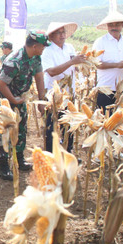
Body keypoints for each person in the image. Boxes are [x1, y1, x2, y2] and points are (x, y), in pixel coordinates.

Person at [0, 31, 49, 180]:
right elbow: (1, 84)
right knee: (5, 131)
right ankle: (3, 166)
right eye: (43, 46)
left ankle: (19, 159)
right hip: (6, 99)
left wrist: (41, 100)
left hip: (20, 98)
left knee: (21, 129)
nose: (44, 48)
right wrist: (13, 100)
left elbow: (39, 77)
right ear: (35, 46)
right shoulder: (14, 61)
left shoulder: (36, 57)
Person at [41, 22, 86, 152]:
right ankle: (51, 155)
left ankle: (68, 152)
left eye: (63, 32)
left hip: (69, 93)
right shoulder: (47, 51)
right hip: (53, 96)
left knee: (69, 126)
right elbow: (51, 71)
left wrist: (82, 64)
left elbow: (74, 66)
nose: (62, 35)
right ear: (52, 36)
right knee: (52, 127)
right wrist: (72, 62)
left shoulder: (69, 47)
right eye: (59, 33)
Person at [92, 11, 123, 113]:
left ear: (122, 25)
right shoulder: (100, 42)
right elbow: (97, 63)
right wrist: (117, 65)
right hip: (106, 88)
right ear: (107, 26)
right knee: (106, 121)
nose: (114, 27)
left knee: (122, 123)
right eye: (111, 25)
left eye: (117, 24)